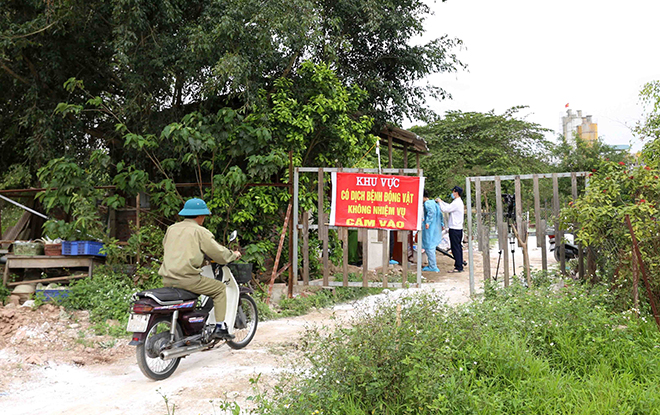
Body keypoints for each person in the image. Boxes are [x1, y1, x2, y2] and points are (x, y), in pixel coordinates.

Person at [158, 198, 242, 340]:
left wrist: (202, 261)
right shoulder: (200, 231)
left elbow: (176, 250)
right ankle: (220, 327)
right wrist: (233, 255)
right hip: (188, 279)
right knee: (220, 289)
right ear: (200, 216)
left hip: (167, 278)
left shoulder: (171, 229)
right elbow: (219, 254)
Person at [436, 186, 465, 273]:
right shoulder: (457, 202)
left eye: (453, 192)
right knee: (458, 247)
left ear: (456, 192)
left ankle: (458, 266)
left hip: (455, 228)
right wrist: (442, 202)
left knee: (455, 247)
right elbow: (449, 206)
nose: (452, 193)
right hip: (458, 228)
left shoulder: (457, 203)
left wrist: (440, 202)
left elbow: (446, 209)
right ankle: (459, 263)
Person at [422, 190, 444, 272]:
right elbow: (440, 214)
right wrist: (442, 224)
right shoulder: (434, 203)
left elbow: (431, 212)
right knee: (432, 247)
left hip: (430, 229)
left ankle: (432, 266)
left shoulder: (427, 204)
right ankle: (432, 265)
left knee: (429, 247)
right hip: (435, 227)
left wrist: (428, 222)